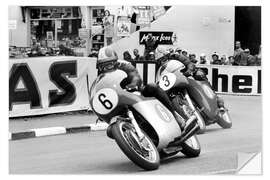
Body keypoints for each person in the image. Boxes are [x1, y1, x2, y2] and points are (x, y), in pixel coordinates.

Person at [97, 46, 193, 131]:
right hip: (119, 100)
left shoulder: (123, 64)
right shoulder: (101, 76)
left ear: (115, 61)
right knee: (110, 130)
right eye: (104, 65)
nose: (107, 67)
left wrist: (133, 84)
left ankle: (175, 115)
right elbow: (100, 91)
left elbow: (134, 74)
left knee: (153, 87)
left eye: (109, 64)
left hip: (134, 91)